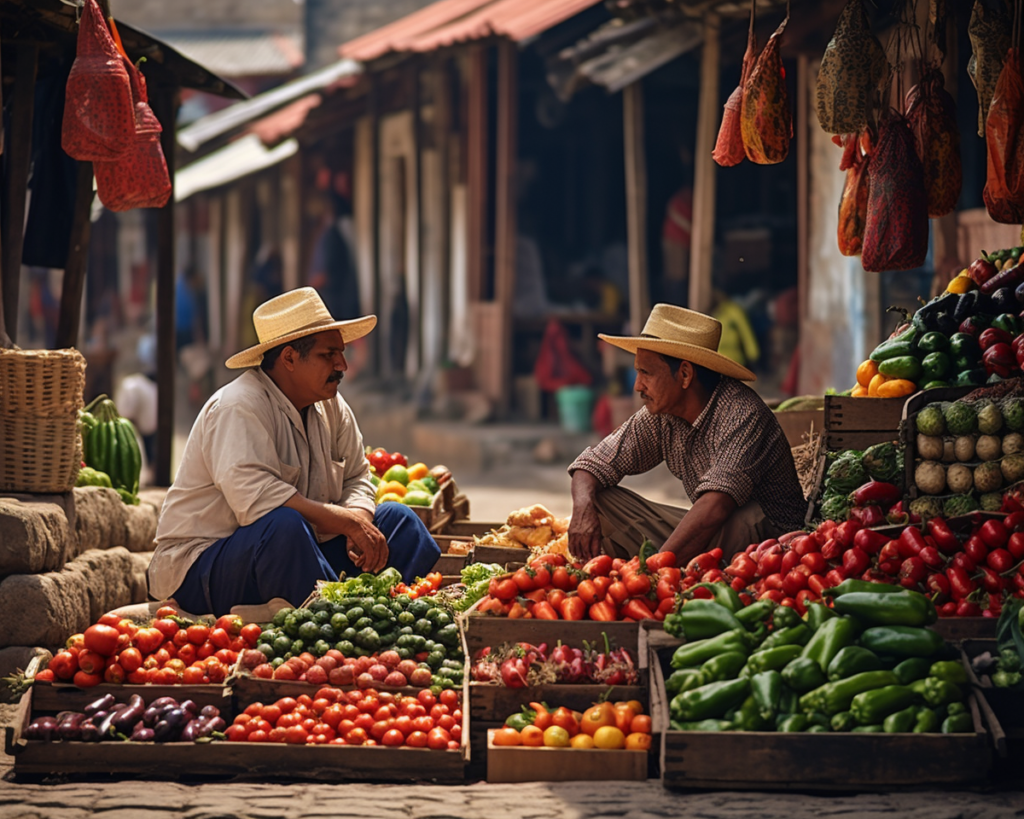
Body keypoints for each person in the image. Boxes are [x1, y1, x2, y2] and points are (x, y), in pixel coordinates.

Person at [149, 287, 441, 615]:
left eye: (341, 353)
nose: (342, 364)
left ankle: (363, 612)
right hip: (203, 567)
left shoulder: (332, 405)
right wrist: (345, 523)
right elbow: (258, 502)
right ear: (289, 358)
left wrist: (358, 519)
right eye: (328, 355)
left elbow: (358, 476)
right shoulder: (238, 406)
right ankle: (345, 616)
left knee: (400, 521)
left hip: (298, 552)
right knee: (283, 526)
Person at [566, 304, 806, 565]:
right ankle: (659, 567)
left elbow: (716, 507)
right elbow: (591, 465)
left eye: (645, 373)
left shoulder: (741, 413)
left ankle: (661, 571)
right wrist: (582, 509)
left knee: (744, 516)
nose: (637, 386)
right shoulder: (661, 414)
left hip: (769, 545)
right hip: (711, 533)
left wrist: (657, 570)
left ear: (684, 374)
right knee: (599, 499)